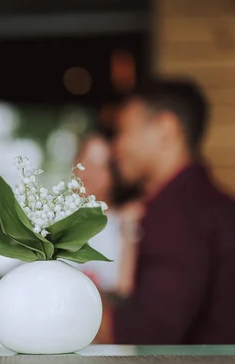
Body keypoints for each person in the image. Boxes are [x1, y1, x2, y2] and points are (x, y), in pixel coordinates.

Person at [97, 77, 235, 344]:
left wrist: (65, 311)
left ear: (165, 127)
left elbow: (151, 330)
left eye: (123, 131)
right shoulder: (204, 202)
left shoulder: (179, 212)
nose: (116, 147)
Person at [73, 133, 141, 294]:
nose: (90, 172)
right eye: (86, 161)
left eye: (101, 165)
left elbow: (124, 290)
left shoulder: (126, 223)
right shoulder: (51, 218)